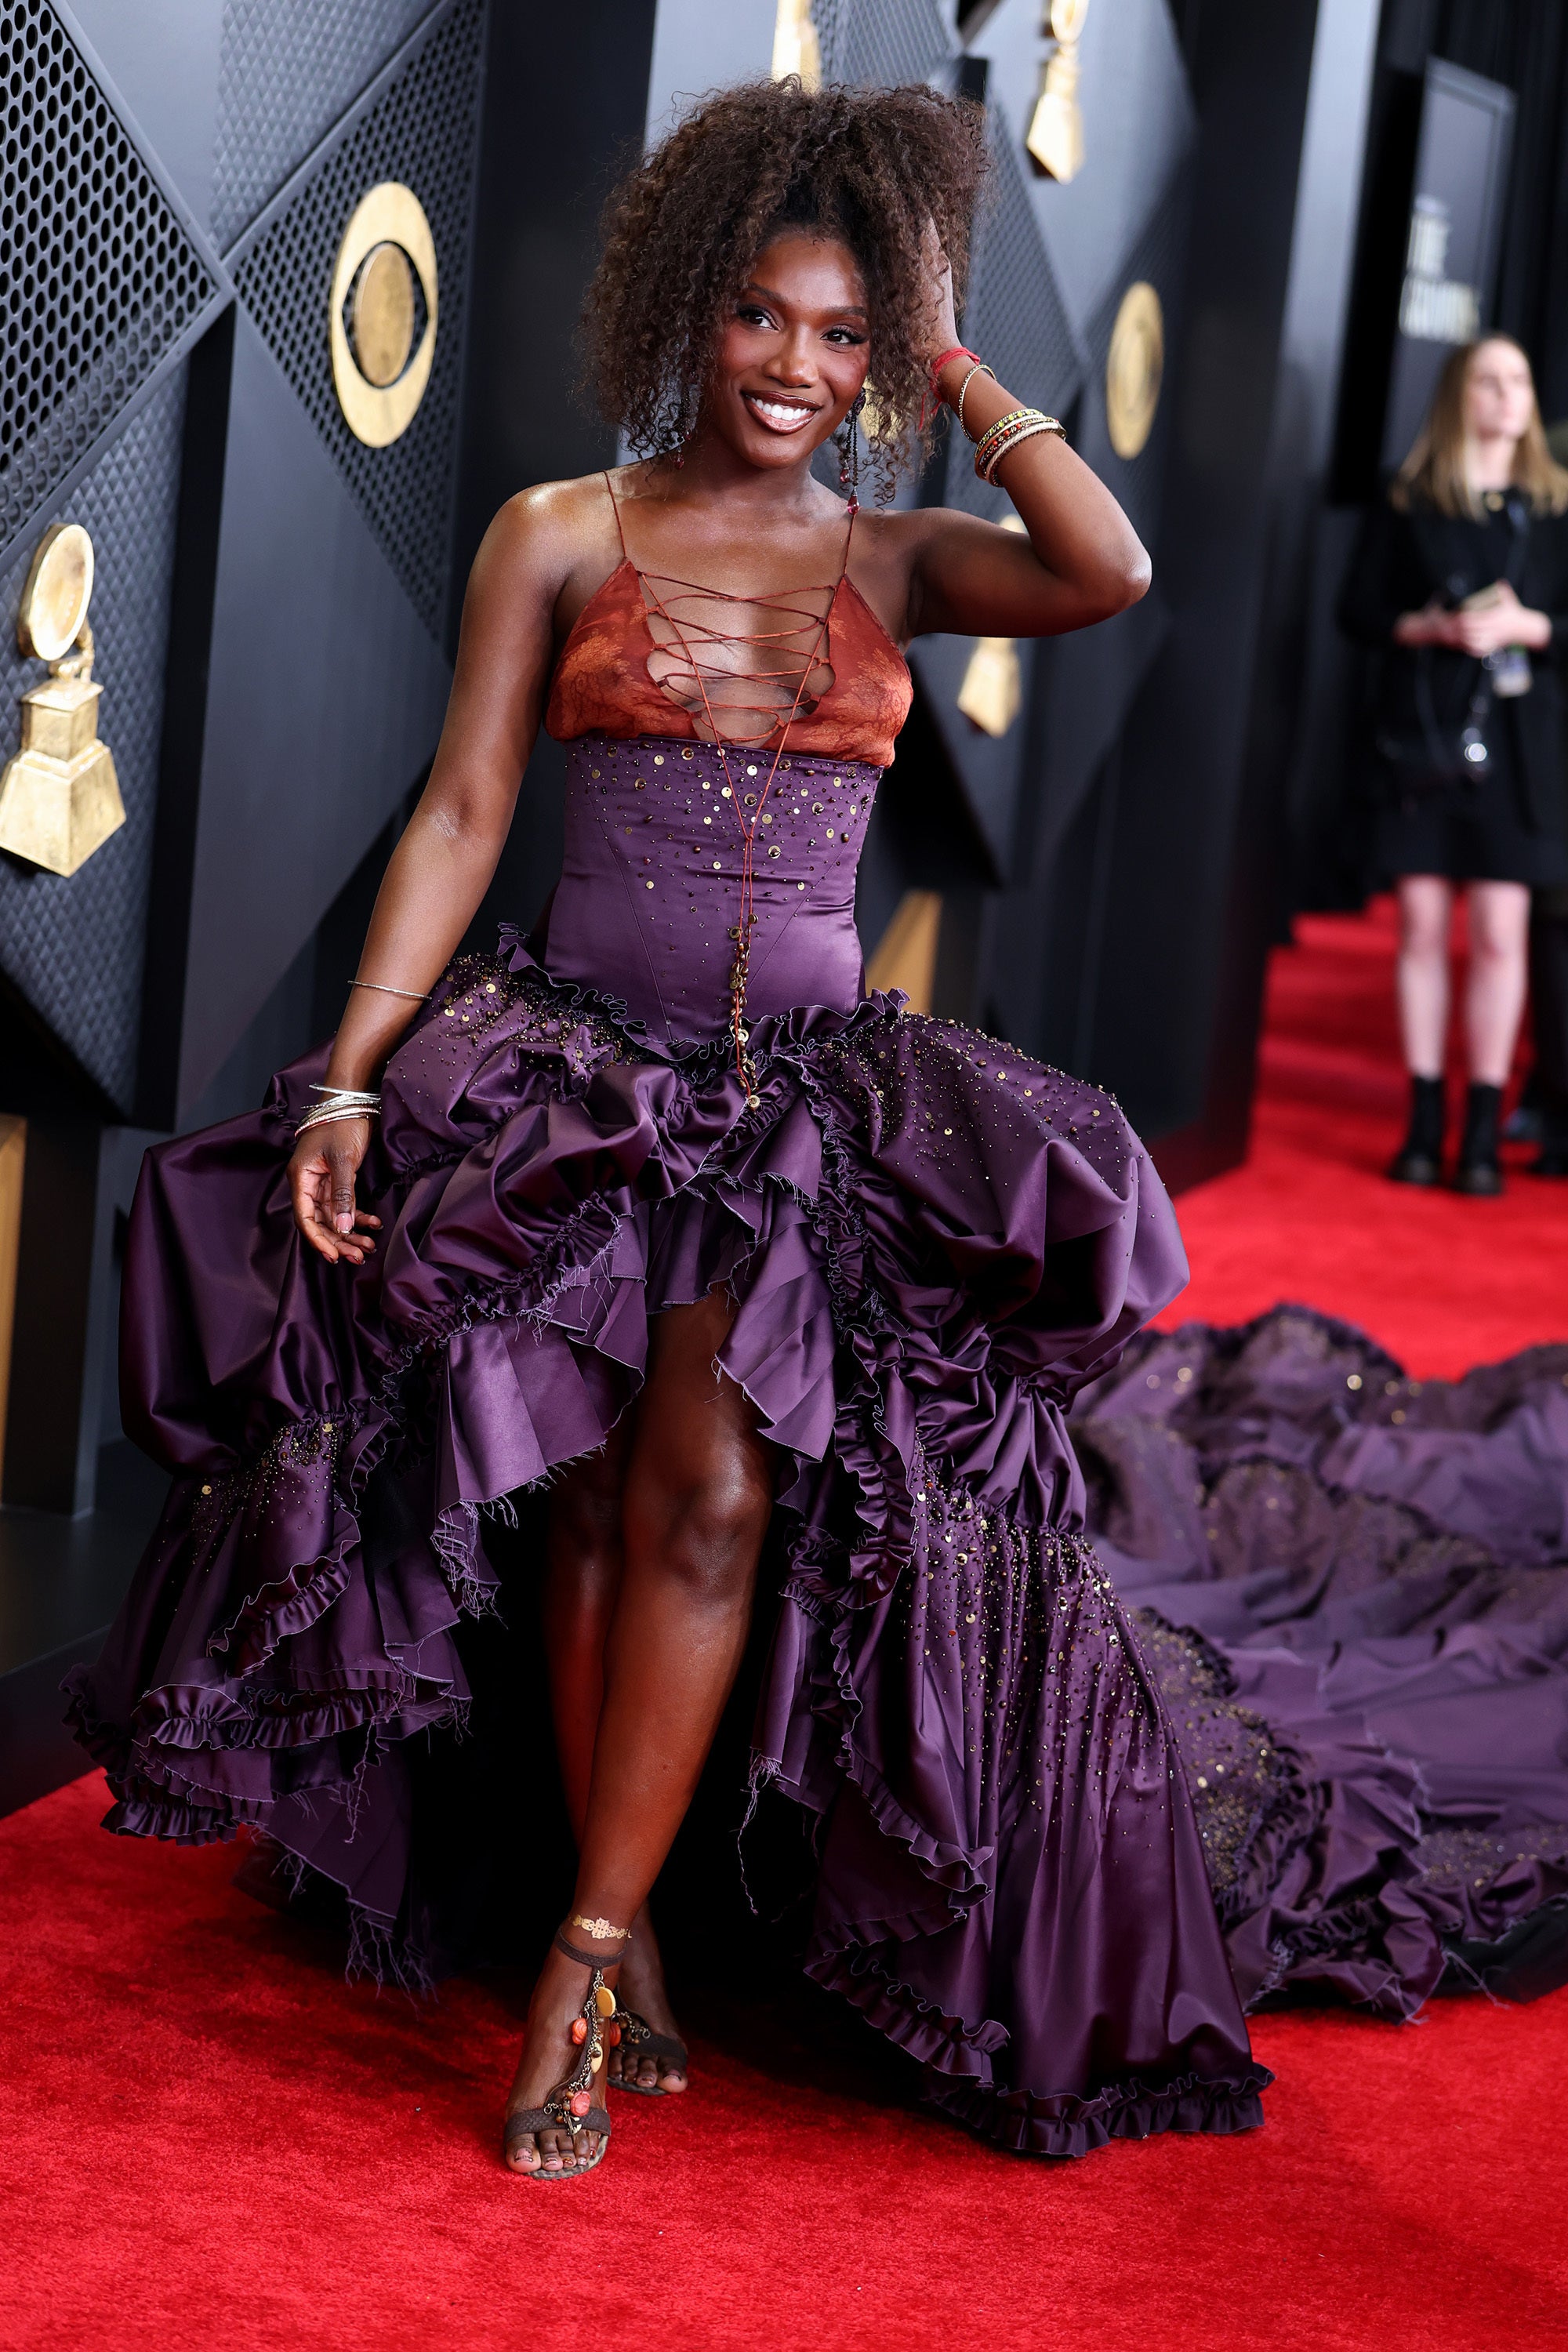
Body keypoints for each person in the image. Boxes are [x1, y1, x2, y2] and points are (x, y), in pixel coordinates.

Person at [67, 80, 1270, 2177]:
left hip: (794, 1116)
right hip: (570, 1086)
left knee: (710, 1501)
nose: (796, 367)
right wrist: (350, 1075)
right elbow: (462, 814)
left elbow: (1111, 563)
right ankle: (617, 1923)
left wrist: (952, 358)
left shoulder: (894, 551)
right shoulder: (557, 530)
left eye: (840, 334)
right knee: (591, 1507)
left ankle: (584, 1950)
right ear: (691, 309)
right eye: (762, 318)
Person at [1339, 336, 1568, 1193]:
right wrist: (1431, 627)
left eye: (1519, 380)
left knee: (1503, 936)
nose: (1507, 396)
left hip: (1519, 750)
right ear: (1456, 395)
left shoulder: (1553, 506)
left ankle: (1480, 1130)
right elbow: (1358, 612)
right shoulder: (1409, 498)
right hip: (1425, 736)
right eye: (1488, 380)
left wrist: (1526, 627)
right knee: (1421, 930)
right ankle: (1423, 1117)